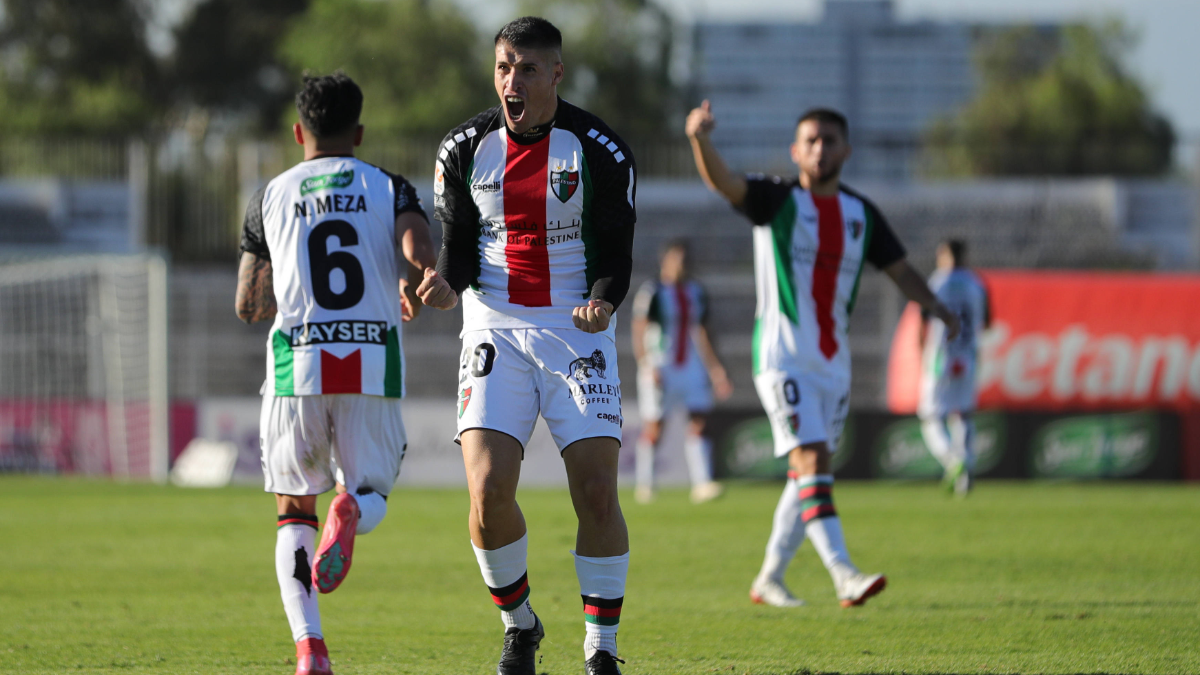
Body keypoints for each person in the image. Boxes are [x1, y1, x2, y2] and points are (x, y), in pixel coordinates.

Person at [685, 100, 960, 608]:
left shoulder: (861, 215)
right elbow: (725, 184)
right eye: (810, 140)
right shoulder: (776, 199)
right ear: (796, 151)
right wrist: (700, 140)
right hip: (782, 357)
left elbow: (900, 271)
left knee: (806, 471)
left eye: (829, 140)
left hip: (833, 364)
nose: (819, 148)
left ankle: (769, 577)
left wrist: (937, 307)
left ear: (846, 150)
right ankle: (843, 575)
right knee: (811, 458)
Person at [432, 17, 636, 675]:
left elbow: (617, 253)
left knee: (598, 492)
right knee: (487, 489)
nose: (510, 81)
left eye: (525, 68)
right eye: (502, 67)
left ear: (556, 73)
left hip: (577, 329)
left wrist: (603, 299)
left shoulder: (599, 149)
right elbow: (458, 252)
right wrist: (442, 284)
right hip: (494, 325)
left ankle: (601, 648)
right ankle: (520, 624)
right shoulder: (463, 149)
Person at [235, 72, 456, 675]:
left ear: (298, 130)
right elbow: (417, 250)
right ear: (358, 131)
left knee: (292, 510)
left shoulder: (269, 196)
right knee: (372, 490)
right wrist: (413, 281)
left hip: (295, 367)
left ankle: (310, 649)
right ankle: (353, 509)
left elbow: (249, 306)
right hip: (370, 363)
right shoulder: (388, 186)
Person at [630, 239, 732, 504]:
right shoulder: (652, 290)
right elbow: (639, 329)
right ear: (665, 261)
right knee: (655, 426)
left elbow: (703, 331)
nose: (682, 265)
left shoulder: (696, 290)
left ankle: (702, 483)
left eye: (685, 260)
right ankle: (646, 485)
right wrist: (646, 365)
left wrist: (716, 369)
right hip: (661, 363)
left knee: (699, 421)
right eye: (677, 259)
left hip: (691, 366)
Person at [919, 239, 990, 496]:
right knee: (963, 413)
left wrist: (921, 350)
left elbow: (923, 319)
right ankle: (966, 470)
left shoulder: (938, 281)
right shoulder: (977, 283)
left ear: (946, 255)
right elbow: (988, 321)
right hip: (968, 356)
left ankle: (953, 460)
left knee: (931, 417)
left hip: (941, 356)